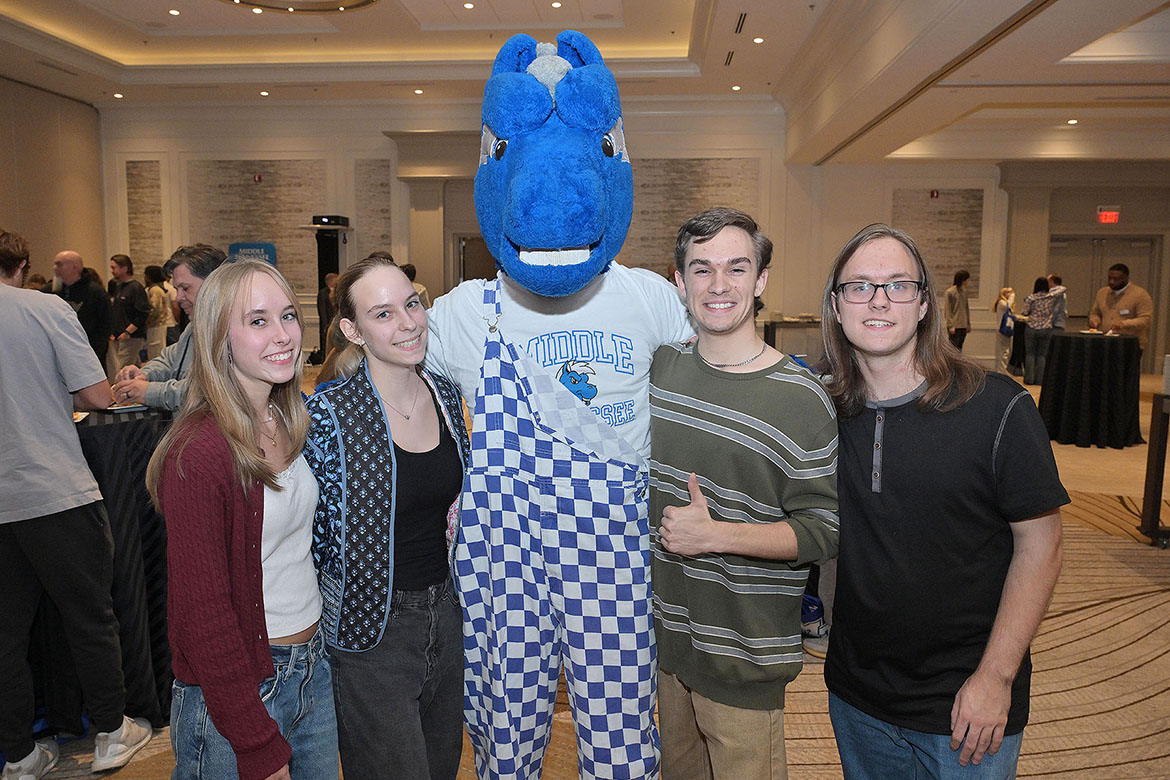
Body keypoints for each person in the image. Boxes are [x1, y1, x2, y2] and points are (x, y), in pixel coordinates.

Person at [819, 224, 1066, 779]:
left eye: (898, 284)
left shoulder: (997, 406)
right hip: (856, 694)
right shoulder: (822, 410)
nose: (879, 299)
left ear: (925, 302)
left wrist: (996, 679)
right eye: (858, 286)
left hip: (966, 701)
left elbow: (1042, 546)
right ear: (836, 306)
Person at [649, 208, 839, 780]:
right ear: (679, 282)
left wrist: (715, 536)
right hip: (665, 646)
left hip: (743, 655)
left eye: (737, 268)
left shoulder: (801, 399)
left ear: (760, 281)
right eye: (701, 269)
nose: (719, 284)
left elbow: (824, 531)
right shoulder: (659, 370)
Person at [146, 260, 337, 780]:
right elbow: (203, 614)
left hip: (310, 672)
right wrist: (254, 739)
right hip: (239, 691)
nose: (284, 336)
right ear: (217, 337)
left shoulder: (287, 416)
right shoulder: (200, 453)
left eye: (289, 316)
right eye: (257, 321)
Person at [305, 256, 469, 780]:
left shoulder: (444, 394)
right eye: (383, 313)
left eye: (412, 304)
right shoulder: (329, 414)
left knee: (441, 767)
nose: (407, 323)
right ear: (352, 330)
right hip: (371, 629)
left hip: (448, 614)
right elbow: (311, 538)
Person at [0, 229, 153, 780]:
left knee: (5, 637)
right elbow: (93, 395)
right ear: (20, 267)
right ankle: (113, 731)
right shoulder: (45, 309)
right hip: (53, 488)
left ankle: (18, 756)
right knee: (90, 615)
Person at [112, 244, 228, 410]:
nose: (179, 298)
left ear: (214, 284)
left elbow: (209, 393)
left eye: (185, 288)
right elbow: (172, 358)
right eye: (177, 289)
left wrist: (148, 391)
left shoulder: (233, 330)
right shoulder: (196, 324)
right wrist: (144, 373)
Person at [47, 250, 112, 365]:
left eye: (59, 264)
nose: (54, 268)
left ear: (75, 267)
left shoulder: (96, 293)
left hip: (88, 355)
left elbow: (105, 326)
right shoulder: (49, 292)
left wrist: (94, 354)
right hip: (57, 355)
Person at [1088, 263, 1154, 353]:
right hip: (1105, 343)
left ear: (1126, 278)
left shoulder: (1140, 294)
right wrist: (1095, 320)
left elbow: (1145, 319)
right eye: (1109, 278)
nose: (1111, 281)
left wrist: (1123, 324)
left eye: (1116, 279)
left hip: (1130, 345)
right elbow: (1095, 313)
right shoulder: (1102, 292)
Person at [106, 253, 150, 379]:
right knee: (136, 369)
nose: (112, 271)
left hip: (132, 336)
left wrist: (127, 331)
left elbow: (143, 313)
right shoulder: (119, 287)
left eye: (114, 267)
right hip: (120, 336)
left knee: (121, 371)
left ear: (124, 268)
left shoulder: (135, 287)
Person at [1019, 277, 1067, 385]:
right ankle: (1040, 379)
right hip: (1046, 328)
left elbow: (1025, 312)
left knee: (1030, 354)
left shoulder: (1032, 298)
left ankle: (1029, 379)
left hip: (1031, 327)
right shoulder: (1050, 297)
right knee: (1042, 355)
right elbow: (1063, 288)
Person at [143, 264, 176, 361]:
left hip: (157, 325)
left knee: (156, 352)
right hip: (157, 326)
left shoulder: (155, 290)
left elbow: (156, 310)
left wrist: (146, 322)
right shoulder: (152, 289)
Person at [943, 269, 970, 350]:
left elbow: (966, 308)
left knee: (960, 347)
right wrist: (950, 325)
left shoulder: (964, 292)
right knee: (953, 348)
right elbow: (948, 310)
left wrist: (968, 323)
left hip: (963, 324)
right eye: (967, 279)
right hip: (955, 324)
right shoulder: (950, 292)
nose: (968, 281)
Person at [992, 287, 1016, 375]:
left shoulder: (1002, 303)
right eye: (1009, 292)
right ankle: (1001, 371)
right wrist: (1012, 297)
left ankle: (1003, 369)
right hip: (1002, 329)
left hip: (1006, 329)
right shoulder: (1001, 303)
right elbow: (1008, 307)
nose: (1011, 294)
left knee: (1007, 350)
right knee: (1003, 351)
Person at [316, 272, 338, 357]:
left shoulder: (337, 292)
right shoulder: (323, 293)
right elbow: (322, 310)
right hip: (327, 323)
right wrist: (325, 325)